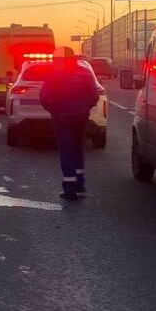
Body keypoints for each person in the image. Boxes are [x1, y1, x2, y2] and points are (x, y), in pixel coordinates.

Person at [39, 47, 99, 200]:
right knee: (78, 148)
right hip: (80, 117)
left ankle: (70, 188)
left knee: (66, 150)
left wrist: (53, 110)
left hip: (62, 117)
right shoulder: (84, 73)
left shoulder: (54, 75)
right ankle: (80, 184)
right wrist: (85, 109)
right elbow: (94, 95)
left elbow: (44, 97)